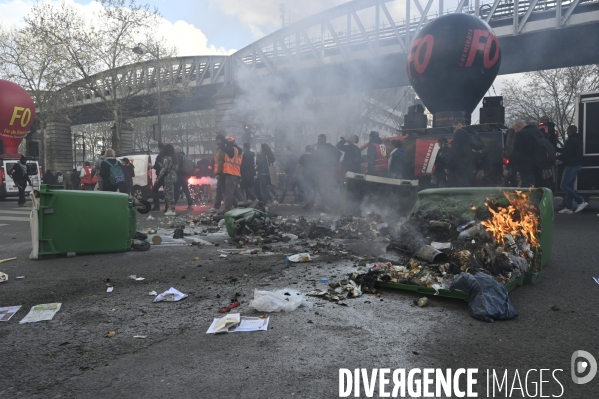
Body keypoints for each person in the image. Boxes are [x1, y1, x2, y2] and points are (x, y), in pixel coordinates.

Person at [557, 125, 588, 214]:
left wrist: (555, 157)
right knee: (569, 186)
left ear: (569, 131)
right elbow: (568, 151)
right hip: (577, 165)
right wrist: (557, 149)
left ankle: (580, 201)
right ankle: (569, 207)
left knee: (563, 186)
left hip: (571, 165)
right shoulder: (578, 140)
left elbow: (567, 153)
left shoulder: (571, 140)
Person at [446, 118, 483, 187]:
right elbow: (480, 151)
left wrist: (448, 166)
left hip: (461, 165)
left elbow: (455, 151)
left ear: (459, 124)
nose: (454, 130)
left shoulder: (459, 132)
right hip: (472, 166)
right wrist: (480, 167)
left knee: (461, 187)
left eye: (454, 127)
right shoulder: (475, 133)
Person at [313, 134, 342, 209]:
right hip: (320, 170)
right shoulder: (320, 148)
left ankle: (325, 204)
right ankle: (324, 203)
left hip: (325, 171)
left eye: (319, 139)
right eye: (318, 139)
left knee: (324, 186)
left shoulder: (328, 146)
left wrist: (333, 164)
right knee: (319, 186)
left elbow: (338, 153)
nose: (318, 141)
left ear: (323, 140)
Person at [510, 120, 541, 188]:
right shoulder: (538, 132)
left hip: (526, 164)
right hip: (538, 163)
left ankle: (529, 198)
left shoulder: (521, 134)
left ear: (517, 126)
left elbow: (517, 151)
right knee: (535, 184)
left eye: (515, 129)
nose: (515, 131)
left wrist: (511, 166)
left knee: (527, 184)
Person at [216, 135, 243, 212]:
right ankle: (244, 203)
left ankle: (227, 208)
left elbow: (221, 146)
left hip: (231, 173)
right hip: (236, 173)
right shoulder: (238, 150)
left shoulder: (231, 150)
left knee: (229, 193)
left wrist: (224, 140)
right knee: (236, 191)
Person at [157, 144, 178, 216]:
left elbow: (164, 168)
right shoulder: (174, 158)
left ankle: (171, 209)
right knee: (170, 193)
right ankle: (171, 209)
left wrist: (159, 177)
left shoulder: (166, 158)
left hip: (168, 177)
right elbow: (176, 168)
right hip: (174, 176)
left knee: (168, 193)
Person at [256, 143, 277, 210]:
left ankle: (265, 205)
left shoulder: (262, 155)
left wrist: (257, 159)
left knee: (263, 190)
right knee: (269, 187)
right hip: (270, 174)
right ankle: (273, 198)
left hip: (263, 174)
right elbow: (272, 161)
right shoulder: (271, 155)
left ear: (262, 148)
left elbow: (260, 163)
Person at [151, 142, 165, 211]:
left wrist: (151, 166)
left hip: (160, 176)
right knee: (167, 191)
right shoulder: (168, 155)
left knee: (155, 189)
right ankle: (168, 207)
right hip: (167, 176)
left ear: (159, 148)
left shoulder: (159, 156)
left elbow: (157, 166)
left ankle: (156, 206)